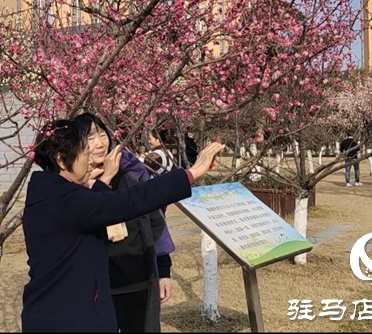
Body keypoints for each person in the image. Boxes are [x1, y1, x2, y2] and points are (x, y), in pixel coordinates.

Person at [21, 118, 224, 332]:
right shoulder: (68, 201)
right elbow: (131, 200)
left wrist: (101, 183)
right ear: (62, 160)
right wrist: (192, 172)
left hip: (52, 313)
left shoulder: (48, 193)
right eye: (84, 151)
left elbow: (91, 208)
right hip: (70, 320)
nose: (90, 158)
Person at [74, 113, 174, 332]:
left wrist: (164, 270)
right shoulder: (74, 183)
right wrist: (104, 178)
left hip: (138, 280)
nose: (99, 143)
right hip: (96, 286)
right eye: (90, 138)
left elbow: (155, 221)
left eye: (102, 134)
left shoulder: (132, 171)